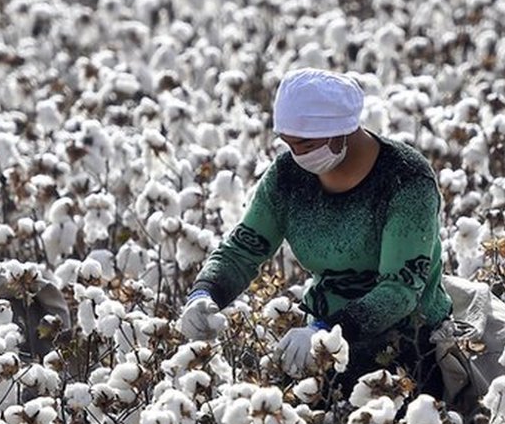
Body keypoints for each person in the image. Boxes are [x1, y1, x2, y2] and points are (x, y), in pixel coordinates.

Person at [179, 68, 451, 398]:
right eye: (289, 144)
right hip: (322, 337)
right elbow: (242, 250)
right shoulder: (288, 177)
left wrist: (326, 331)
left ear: (343, 131)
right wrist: (205, 294)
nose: (297, 155)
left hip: (408, 345)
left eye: (305, 143)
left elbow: (400, 291)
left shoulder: (406, 181)